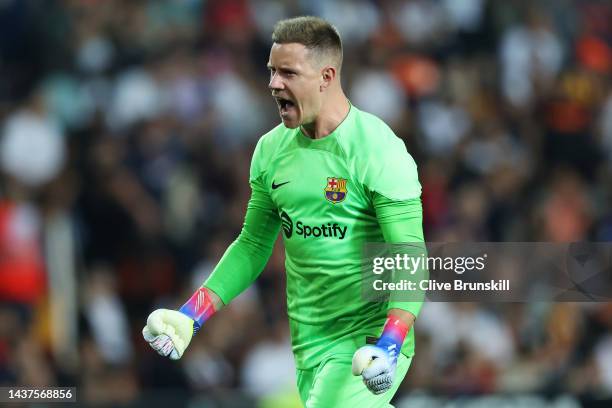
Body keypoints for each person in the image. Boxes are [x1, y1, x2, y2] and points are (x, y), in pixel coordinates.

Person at [142, 16, 425, 407]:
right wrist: (192, 315)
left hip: (369, 339)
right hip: (308, 344)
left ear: (326, 77)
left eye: (288, 73)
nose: (274, 84)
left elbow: (409, 256)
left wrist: (392, 340)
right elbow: (253, 244)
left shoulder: (379, 151)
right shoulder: (271, 151)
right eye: (272, 71)